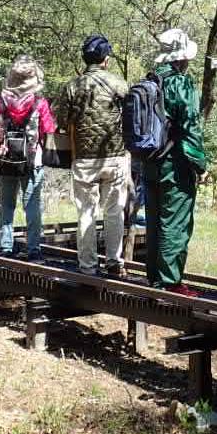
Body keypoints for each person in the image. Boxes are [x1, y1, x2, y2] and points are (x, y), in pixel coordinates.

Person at [143, 28, 207, 295]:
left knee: (155, 220)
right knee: (175, 222)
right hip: (174, 163)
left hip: (149, 162)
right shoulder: (181, 83)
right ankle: (171, 282)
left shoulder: (151, 80)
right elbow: (190, 126)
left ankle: (155, 276)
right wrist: (200, 164)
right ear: (182, 57)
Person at [63, 34, 131, 277]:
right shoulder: (119, 84)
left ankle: (88, 266)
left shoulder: (72, 86)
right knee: (114, 210)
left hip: (84, 160)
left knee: (86, 211)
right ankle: (114, 262)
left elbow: (62, 120)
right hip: (115, 157)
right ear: (105, 59)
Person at [0, 55, 56, 261]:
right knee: (32, 204)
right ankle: (34, 248)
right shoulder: (40, 103)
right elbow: (48, 129)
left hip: (5, 159)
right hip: (32, 160)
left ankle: (6, 246)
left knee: (6, 204)